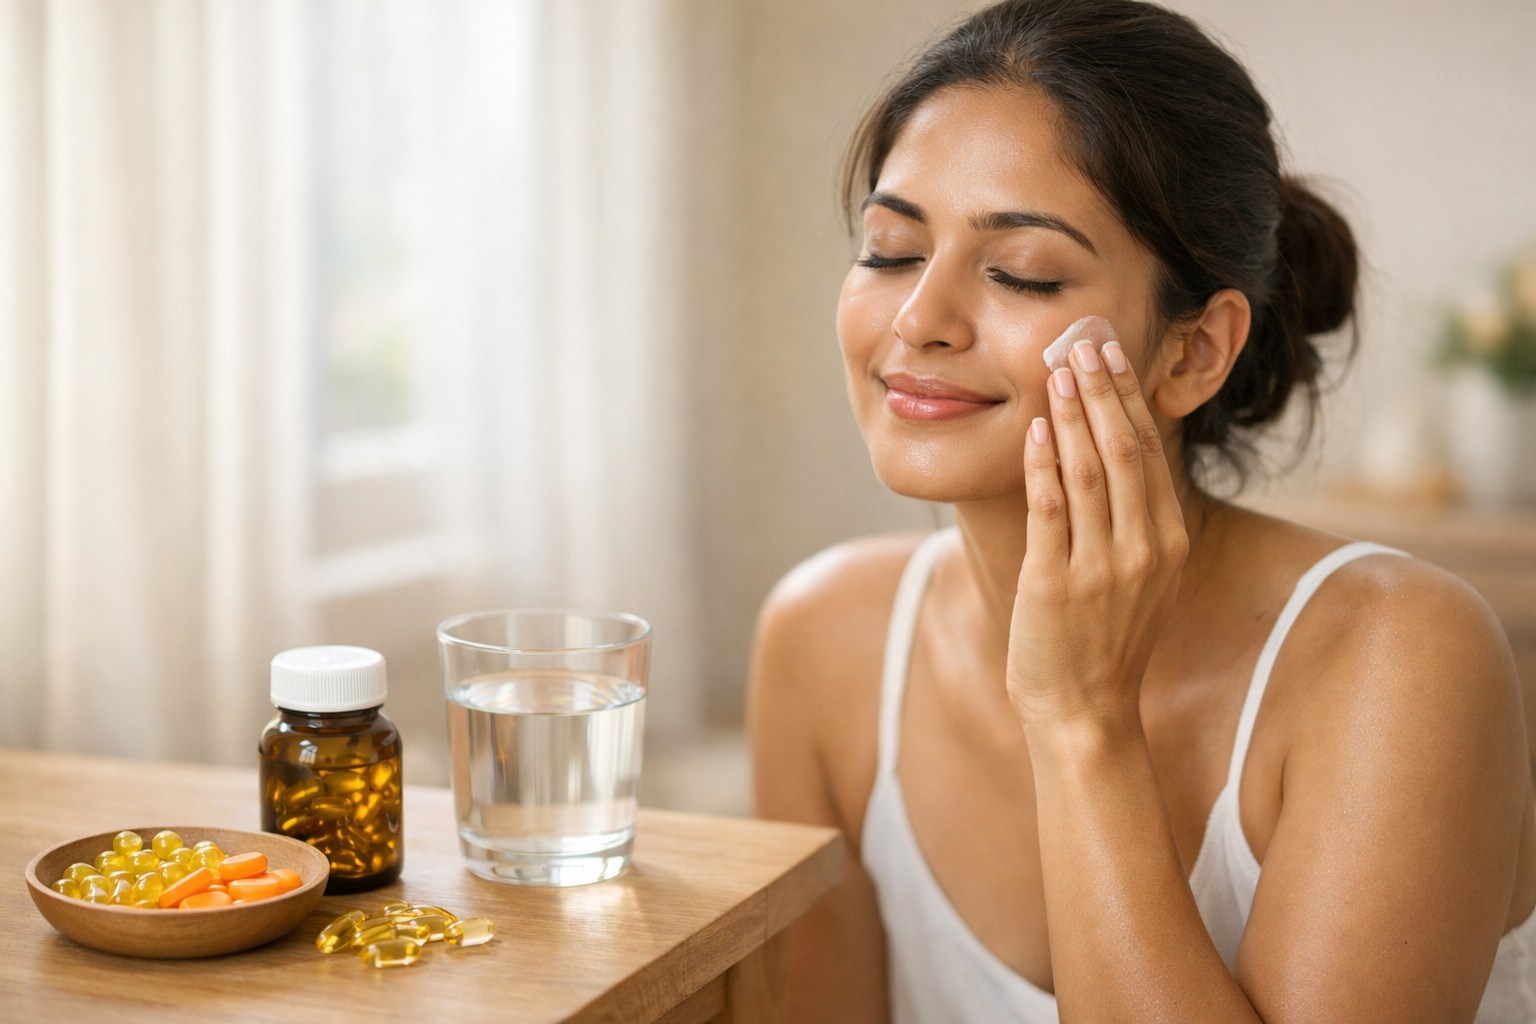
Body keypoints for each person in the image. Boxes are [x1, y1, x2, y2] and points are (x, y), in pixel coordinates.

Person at [746, 2, 1536, 1021]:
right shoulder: (825, 639)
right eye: (892, 249)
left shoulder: (1397, 658)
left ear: (1193, 349)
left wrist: (1081, 721)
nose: (917, 319)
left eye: (1020, 271)